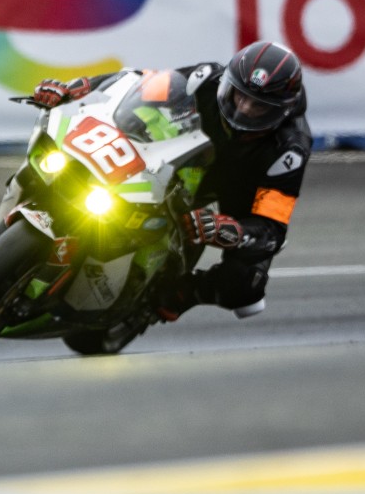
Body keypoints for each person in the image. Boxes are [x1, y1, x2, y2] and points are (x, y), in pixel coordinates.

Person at [26, 40, 311, 322]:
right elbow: (139, 83)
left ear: (281, 110)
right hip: (186, 159)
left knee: (246, 287)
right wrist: (78, 88)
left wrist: (231, 229)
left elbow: (272, 229)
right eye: (239, 96)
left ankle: (181, 294)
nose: (244, 109)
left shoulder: (289, 149)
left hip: (238, 191)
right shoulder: (207, 79)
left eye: (258, 106)